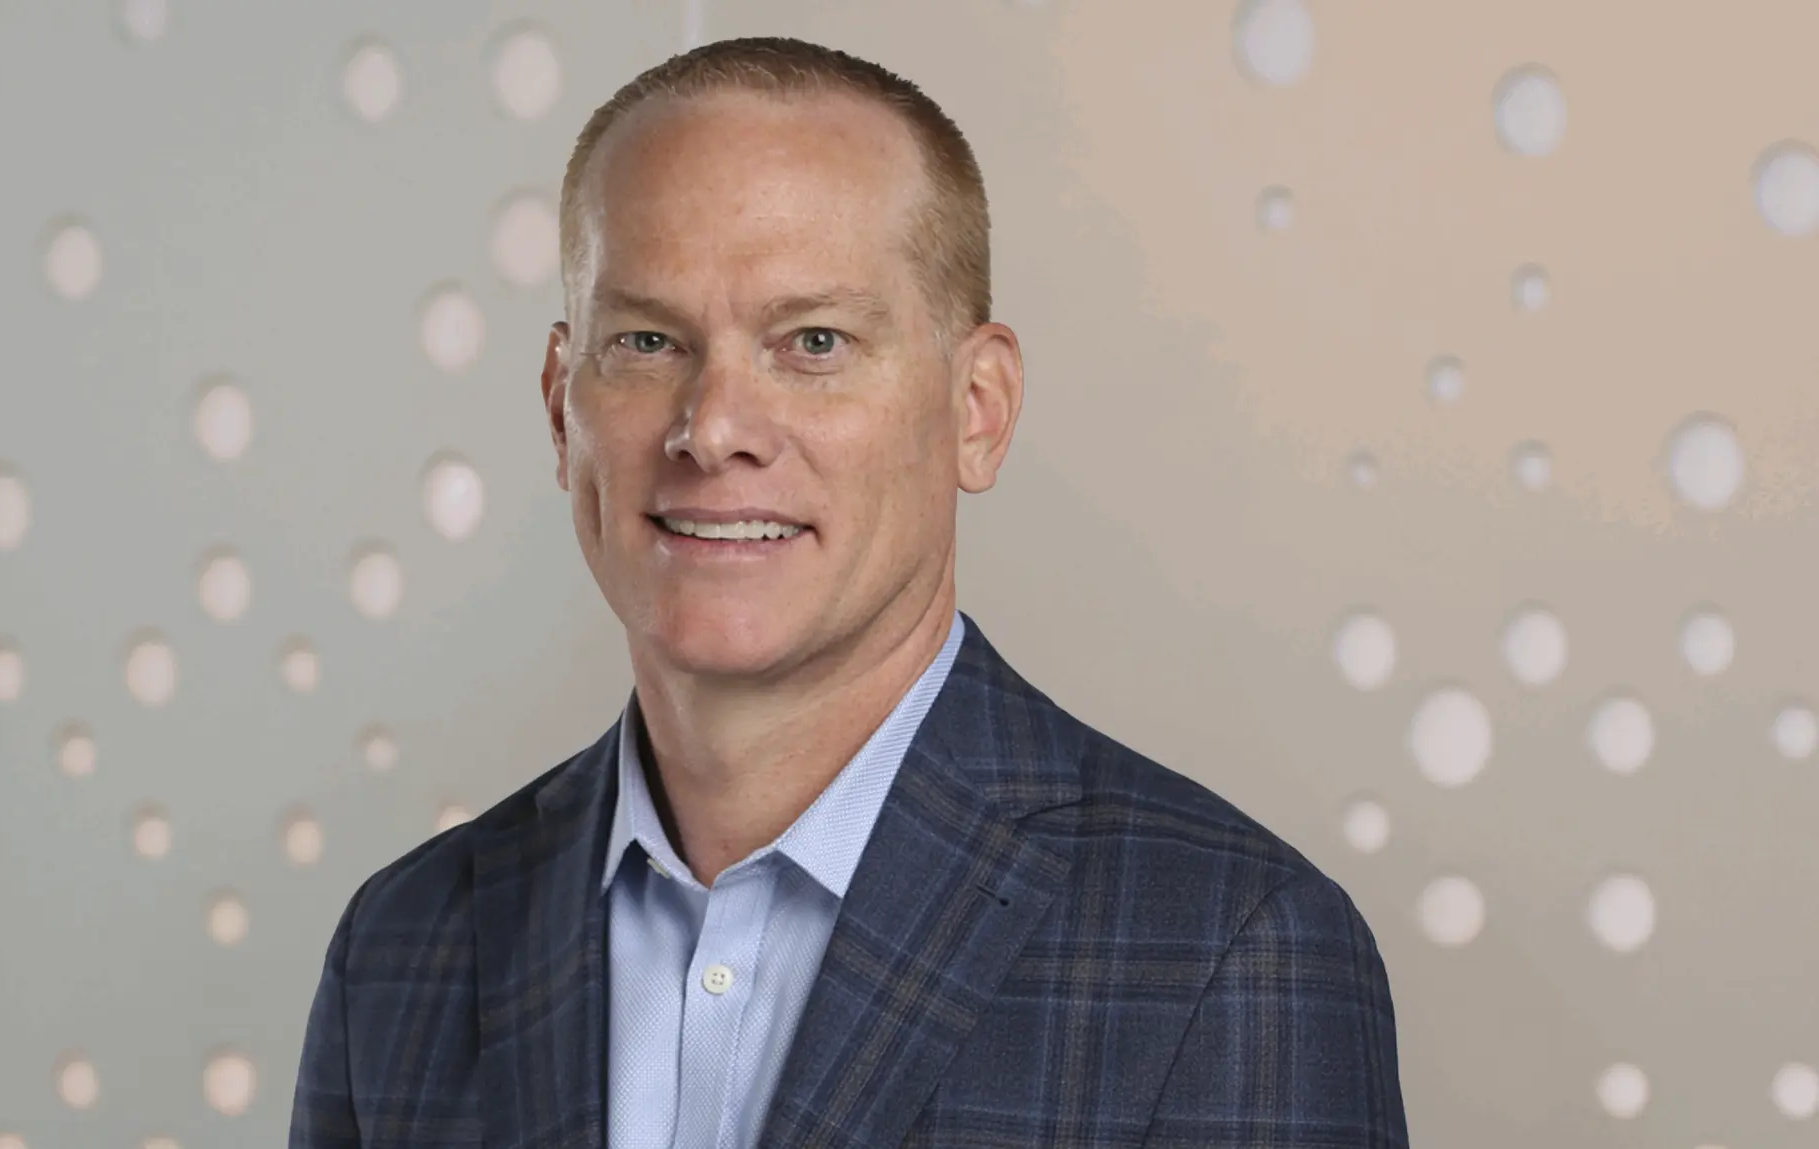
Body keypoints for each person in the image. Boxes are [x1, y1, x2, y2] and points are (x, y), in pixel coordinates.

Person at [288, 35, 1407, 1148]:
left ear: (977, 409)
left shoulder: (1229, 951)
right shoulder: (401, 949)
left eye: (812, 342)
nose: (712, 429)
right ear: (557, 407)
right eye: (647, 341)